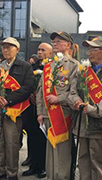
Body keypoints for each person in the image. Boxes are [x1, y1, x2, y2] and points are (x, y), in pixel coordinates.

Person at [68, 36, 102, 180]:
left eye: (94, 49)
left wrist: (93, 109)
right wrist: (76, 101)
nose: (89, 53)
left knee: (99, 163)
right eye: (89, 49)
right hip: (81, 125)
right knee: (83, 161)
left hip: (100, 126)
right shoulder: (82, 71)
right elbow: (72, 92)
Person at [0, 37, 34, 180]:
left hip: (14, 109)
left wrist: (9, 99)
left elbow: (28, 87)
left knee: (11, 142)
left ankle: (11, 173)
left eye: (9, 47)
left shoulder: (24, 66)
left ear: (17, 50)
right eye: (4, 47)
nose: (6, 50)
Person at [35, 31, 78, 180]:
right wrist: (40, 112)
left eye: (59, 41)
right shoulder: (49, 65)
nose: (55, 43)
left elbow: (75, 92)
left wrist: (59, 98)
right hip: (47, 114)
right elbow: (40, 90)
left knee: (62, 152)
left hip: (63, 112)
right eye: (53, 41)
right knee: (50, 152)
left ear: (68, 45)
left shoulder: (73, 65)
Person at [22, 43, 52, 178]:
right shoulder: (31, 67)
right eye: (38, 50)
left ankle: (44, 166)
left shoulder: (52, 68)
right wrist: (30, 93)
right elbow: (25, 83)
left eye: (43, 50)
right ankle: (33, 165)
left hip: (46, 109)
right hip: (31, 107)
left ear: (50, 53)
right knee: (32, 136)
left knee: (43, 139)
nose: (39, 52)